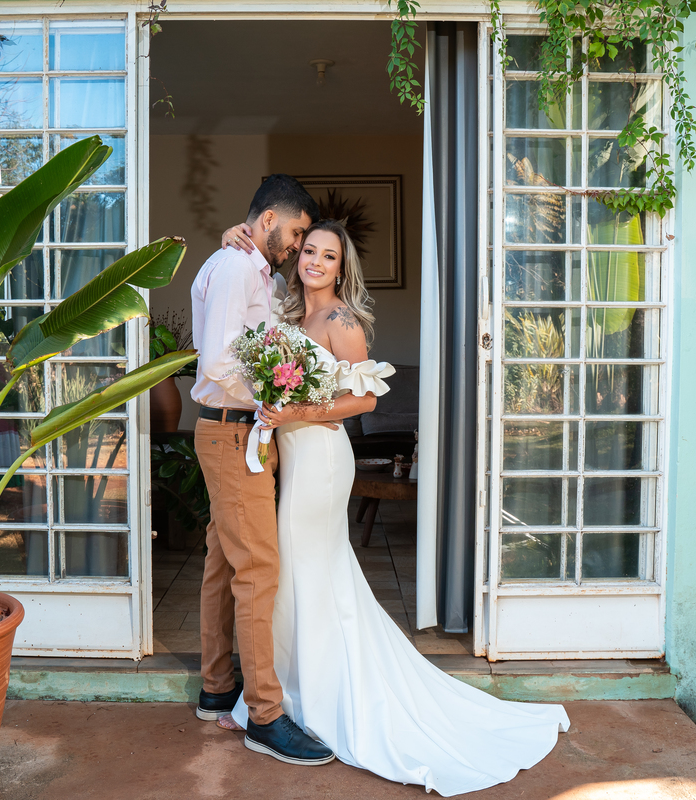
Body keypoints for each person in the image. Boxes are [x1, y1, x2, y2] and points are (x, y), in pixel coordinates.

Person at [217, 218, 571, 796]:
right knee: (297, 574)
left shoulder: (342, 322)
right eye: (309, 251)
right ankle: (288, 691)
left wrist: (296, 413)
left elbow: (361, 400)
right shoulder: (287, 314)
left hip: (322, 460)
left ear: (341, 269)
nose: (314, 262)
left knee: (304, 569)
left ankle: (314, 696)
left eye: (328, 257)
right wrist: (235, 236)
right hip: (292, 456)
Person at [189, 174, 336, 766]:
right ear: (269, 219)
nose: (298, 246)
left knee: (225, 560)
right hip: (232, 429)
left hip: (235, 430)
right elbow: (218, 360)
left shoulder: (254, 270)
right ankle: (266, 716)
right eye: (297, 233)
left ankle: (216, 688)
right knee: (258, 568)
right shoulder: (234, 267)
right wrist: (271, 396)